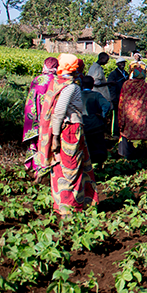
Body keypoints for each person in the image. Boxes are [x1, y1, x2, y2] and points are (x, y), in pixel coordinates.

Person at [35, 54, 101, 216]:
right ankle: (70, 207)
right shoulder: (70, 87)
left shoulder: (56, 83)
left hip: (63, 130)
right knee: (71, 169)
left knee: (60, 168)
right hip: (69, 131)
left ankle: (62, 205)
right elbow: (59, 112)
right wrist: (56, 137)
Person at [22, 57, 58, 170]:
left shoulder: (38, 80)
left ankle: (37, 168)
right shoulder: (58, 81)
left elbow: (30, 102)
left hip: (38, 119)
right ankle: (50, 168)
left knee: (38, 142)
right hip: (53, 118)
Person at [117, 61, 147, 158]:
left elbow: (122, 99)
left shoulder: (127, 84)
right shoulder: (146, 86)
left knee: (127, 131)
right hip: (141, 113)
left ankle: (126, 153)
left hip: (128, 112)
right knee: (140, 129)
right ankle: (140, 154)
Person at [80, 75, 111, 167]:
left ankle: (87, 166)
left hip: (83, 125)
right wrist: (102, 115)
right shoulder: (96, 95)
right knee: (98, 146)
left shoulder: (78, 95)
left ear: (82, 85)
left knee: (86, 147)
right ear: (92, 85)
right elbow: (106, 105)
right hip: (96, 125)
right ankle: (100, 165)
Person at [108, 57, 129, 124]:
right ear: (117, 64)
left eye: (124, 63)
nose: (123, 64)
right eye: (121, 63)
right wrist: (113, 98)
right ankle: (115, 131)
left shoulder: (126, 74)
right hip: (116, 97)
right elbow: (111, 87)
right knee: (116, 115)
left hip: (124, 97)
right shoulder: (113, 74)